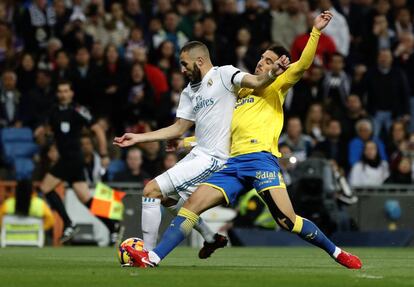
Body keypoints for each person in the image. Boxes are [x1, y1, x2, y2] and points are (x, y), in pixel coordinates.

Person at [125, 11, 362, 270]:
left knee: (287, 220)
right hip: (232, 163)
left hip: (261, 159)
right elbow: (218, 131)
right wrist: (185, 142)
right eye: (262, 58)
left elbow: (304, 64)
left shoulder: (277, 85)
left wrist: (315, 31)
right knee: (191, 206)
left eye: (269, 60)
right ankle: (153, 258)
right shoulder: (240, 92)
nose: (262, 62)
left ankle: (337, 253)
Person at [114, 40, 289, 256]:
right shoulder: (189, 91)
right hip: (198, 155)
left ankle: (146, 254)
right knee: (169, 199)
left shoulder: (225, 75)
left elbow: (257, 81)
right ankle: (210, 236)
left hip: (215, 158)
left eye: (184, 64)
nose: (182, 69)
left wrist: (272, 74)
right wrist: (138, 138)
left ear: (199, 61)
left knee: (151, 190)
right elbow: (179, 128)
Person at [35, 79, 117, 244]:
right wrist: (44, 139)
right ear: (57, 93)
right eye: (61, 91)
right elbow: (48, 135)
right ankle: (113, 226)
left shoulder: (78, 110)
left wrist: (103, 154)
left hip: (72, 158)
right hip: (68, 159)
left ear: (71, 93)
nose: (63, 94)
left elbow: (98, 130)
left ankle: (68, 223)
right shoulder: (53, 111)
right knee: (86, 198)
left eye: (66, 91)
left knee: (45, 188)